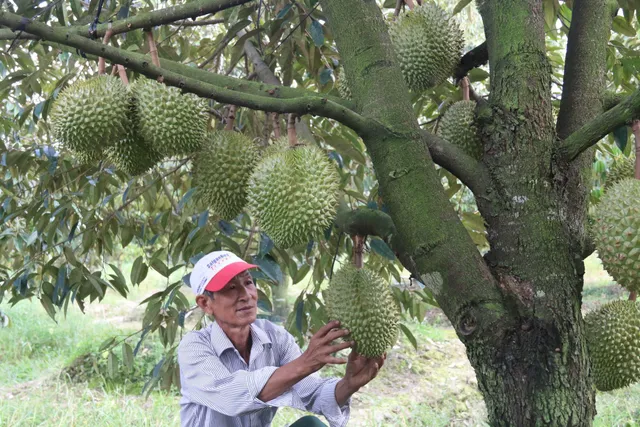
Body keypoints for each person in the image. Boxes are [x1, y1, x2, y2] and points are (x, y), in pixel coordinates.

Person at [177, 250, 386, 427]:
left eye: (248, 283)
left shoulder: (275, 338)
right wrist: (306, 362)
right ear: (205, 304)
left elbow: (312, 393)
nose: (246, 295)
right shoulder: (194, 348)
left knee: (311, 425)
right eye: (231, 288)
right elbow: (232, 399)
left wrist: (349, 383)